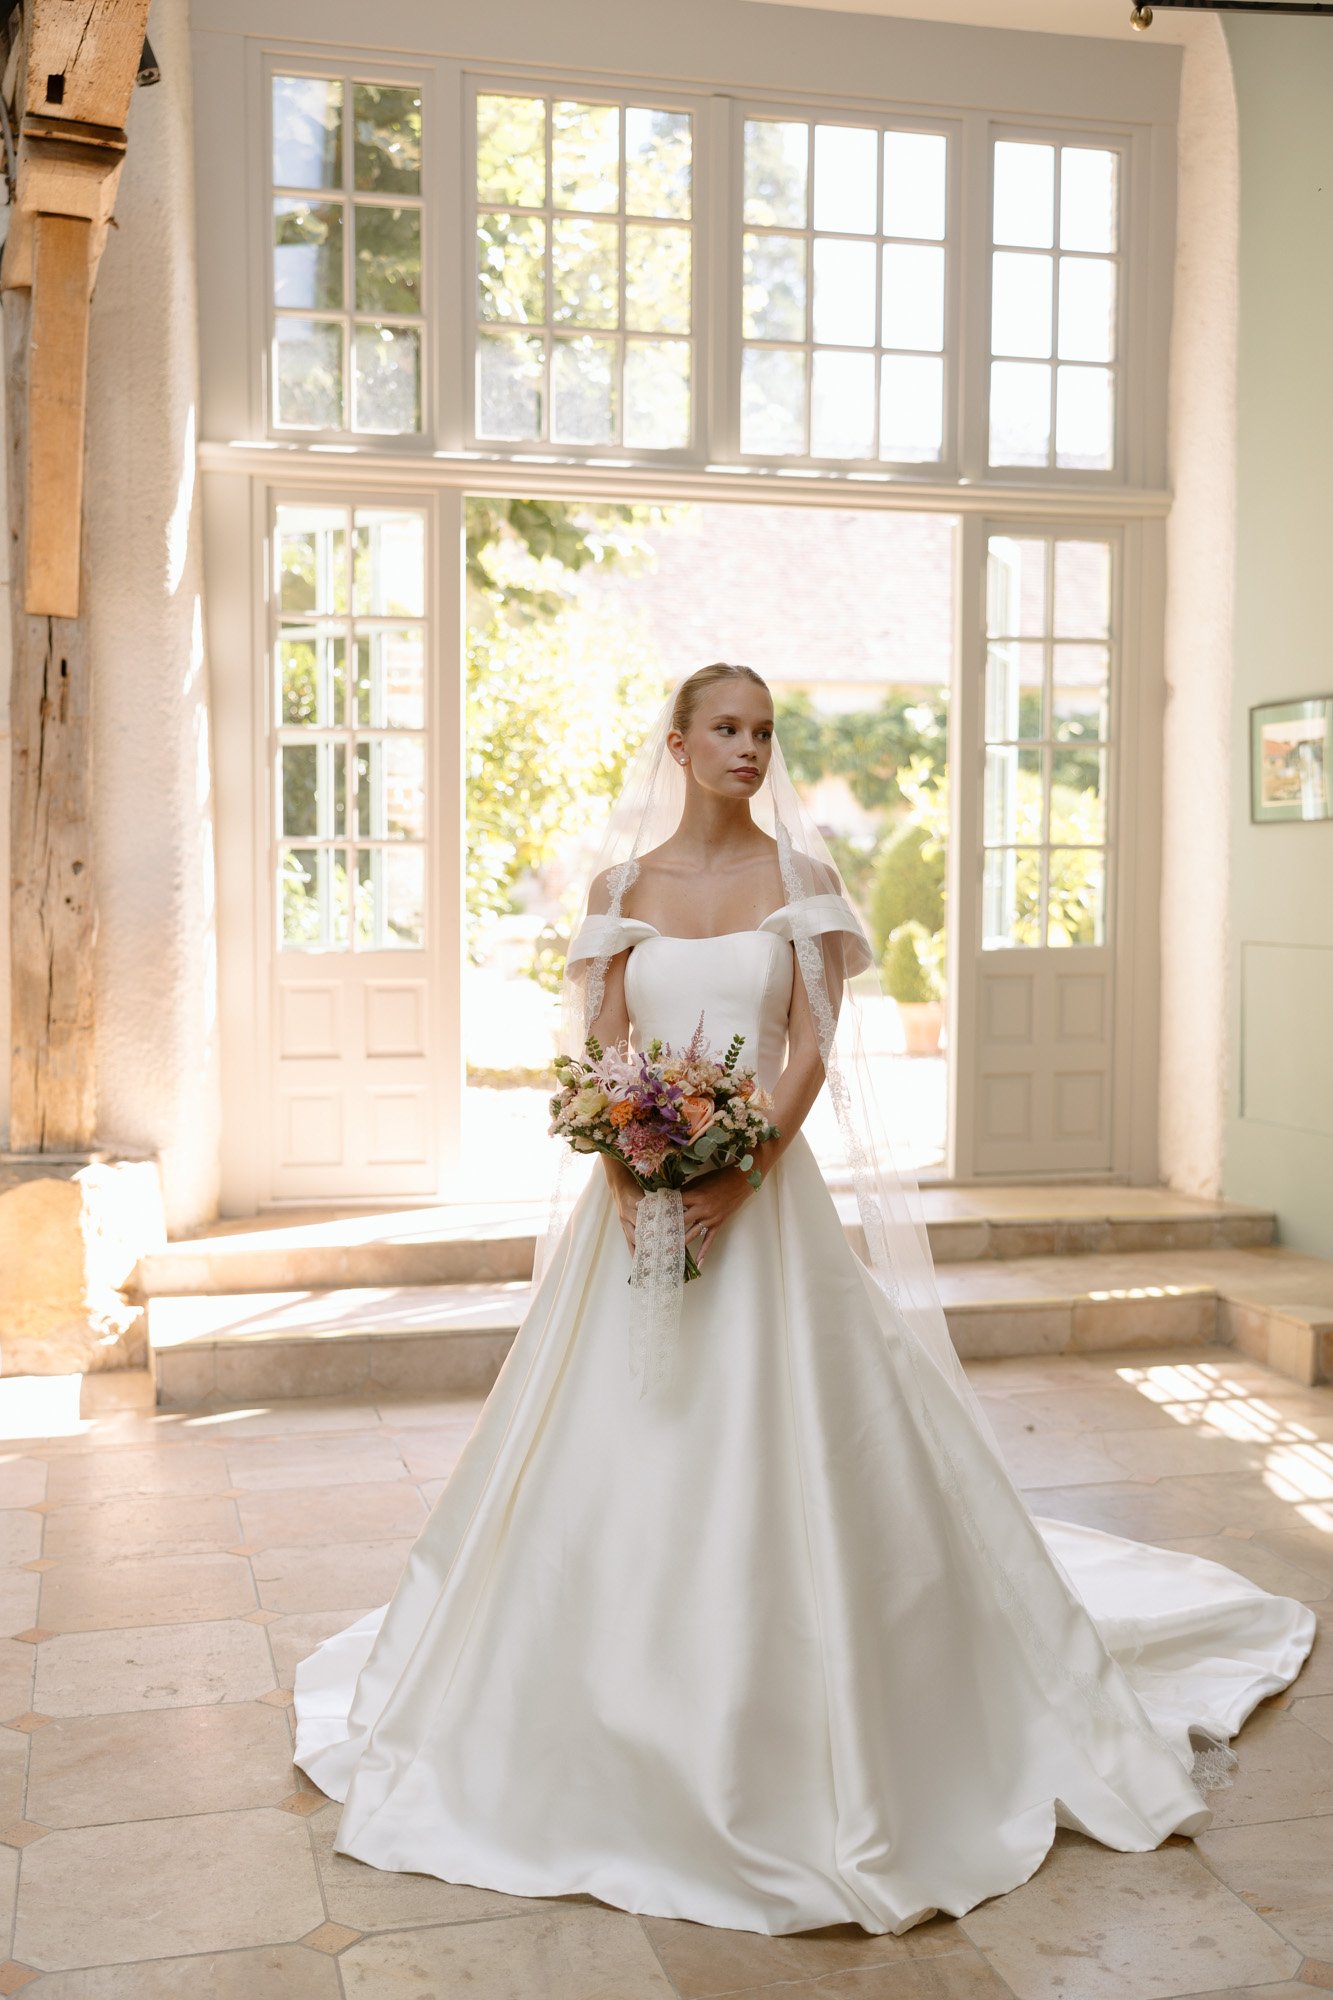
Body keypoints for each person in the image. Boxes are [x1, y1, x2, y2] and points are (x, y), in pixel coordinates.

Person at [293, 662, 1315, 1939]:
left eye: (765, 732)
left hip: (764, 1199)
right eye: (727, 728)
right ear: (675, 741)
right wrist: (630, 1171)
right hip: (640, 1208)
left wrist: (743, 1173)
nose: (751, 749)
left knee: (808, 1453)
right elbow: (603, 1054)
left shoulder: (801, 884)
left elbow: (812, 1048)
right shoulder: (620, 892)